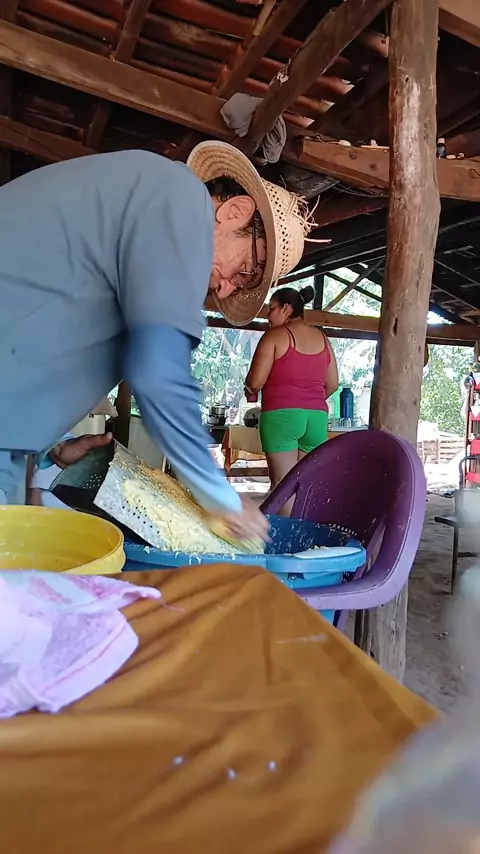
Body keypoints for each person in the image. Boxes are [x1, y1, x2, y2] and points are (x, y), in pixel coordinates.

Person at [0, 140, 311, 542]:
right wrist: (220, 496)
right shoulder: (177, 199)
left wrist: (53, 443)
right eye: (245, 270)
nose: (224, 287)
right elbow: (159, 373)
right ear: (234, 211)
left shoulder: (139, 217)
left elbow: (39, 327)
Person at [244, 285, 339, 500]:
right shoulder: (323, 338)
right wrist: (308, 400)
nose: (268, 315)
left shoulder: (274, 336)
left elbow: (255, 382)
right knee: (307, 485)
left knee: (283, 486)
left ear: (286, 308)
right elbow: (333, 384)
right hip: (316, 418)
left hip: (281, 417)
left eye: (271, 308)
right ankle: (304, 522)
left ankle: (285, 524)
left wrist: (249, 388)